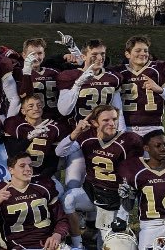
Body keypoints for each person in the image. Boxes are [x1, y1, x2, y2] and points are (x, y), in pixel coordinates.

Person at [56, 105, 143, 249]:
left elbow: (135, 177)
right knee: (68, 199)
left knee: (107, 242)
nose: (112, 123)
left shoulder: (129, 140)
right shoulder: (87, 136)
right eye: (106, 120)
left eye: (114, 119)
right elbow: (60, 151)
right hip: (91, 192)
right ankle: (78, 245)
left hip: (113, 198)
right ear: (95, 123)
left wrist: (124, 209)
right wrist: (76, 131)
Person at [0, 153, 69, 250]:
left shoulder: (44, 186)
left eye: (30, 165)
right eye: (22, 166)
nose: (28, 169)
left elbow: (61, 219)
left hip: (47, 243)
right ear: (11, 170)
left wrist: (57, 235)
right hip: (17, 245)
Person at [115, 35, 165, 136]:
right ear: (127, 54)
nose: (143, 54)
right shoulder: (118, 72)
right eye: (138, 50)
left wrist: (160, 90)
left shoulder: (159, 69)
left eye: (145, 51)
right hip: (126, 128)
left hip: (153, 129)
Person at [56, 39, 126, 131]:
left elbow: (118, 110)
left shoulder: (113, 77)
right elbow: (64, 111)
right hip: (79, 131)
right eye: (94, 54)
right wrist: (77, 85)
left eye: (102, 54)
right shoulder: (70, 76)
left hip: (105, 131)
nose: (100, 58)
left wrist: (120, 131)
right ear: (83, 57)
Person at [3, 95, 68, 188]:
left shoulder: (54, 127)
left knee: (60, 192)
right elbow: (12, 153)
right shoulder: (15, 125)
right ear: (23, 111)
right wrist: (29, 137)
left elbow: (53, 159)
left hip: (43, 175)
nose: (36, 108)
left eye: (39, 105)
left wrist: (42, 178)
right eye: (31, 106)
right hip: (19, 176)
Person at [18, 38, 62, 120]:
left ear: (44, 54)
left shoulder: (54, 72)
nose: (36, 57)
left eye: (39, 53)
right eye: (32, 54)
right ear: (24, 55)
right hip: (31, 119)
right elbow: (23, 97)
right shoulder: (18, 74)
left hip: (54, 118)